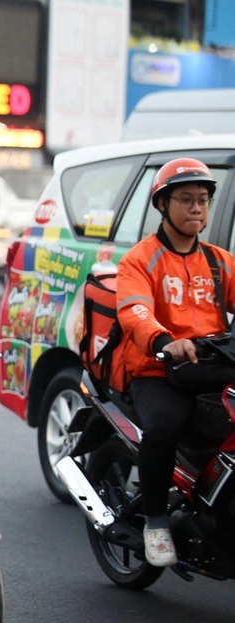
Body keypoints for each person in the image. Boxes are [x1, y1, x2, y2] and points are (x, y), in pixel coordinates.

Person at [115, 157, 235, 567]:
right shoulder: (140, 259)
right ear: (163, 205)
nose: (197, 208)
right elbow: (134, 311)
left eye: (203, 200)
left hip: (213, 368)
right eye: (186, 199)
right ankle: (156, 521)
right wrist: (165, 339)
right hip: (159, 372)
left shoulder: (220, 261)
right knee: (163, 427)